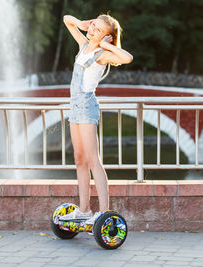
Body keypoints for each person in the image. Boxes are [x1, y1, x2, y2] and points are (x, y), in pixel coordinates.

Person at [59, 13, 133, 225]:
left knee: (93, 160)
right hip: (74, 108)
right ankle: (83, 210)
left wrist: (106, 45)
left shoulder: (101, 54)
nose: (92, 30)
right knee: (79, 159)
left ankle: (103, 212)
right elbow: (67, 19)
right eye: (94, 26)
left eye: (99, 30)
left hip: (87, 108)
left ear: (106, 37)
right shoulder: (83, 45)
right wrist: (84, 24)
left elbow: (127, 58)